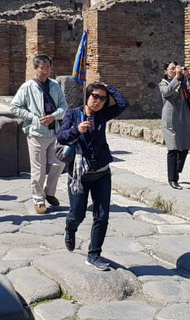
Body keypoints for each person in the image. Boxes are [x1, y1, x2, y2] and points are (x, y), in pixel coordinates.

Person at [57, 82, 128, 271]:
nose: (98, 101)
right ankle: (70, 229)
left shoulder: (102, 115)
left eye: (102, 98)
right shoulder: (72, 114)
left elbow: (123, 104)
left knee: (102, 215)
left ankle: (94, 254)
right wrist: (76, 130)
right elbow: (61, 137)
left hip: (102, 173)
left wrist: (109, 88)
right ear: (87, 96)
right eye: (95, 96)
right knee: (77, 215)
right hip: (79, 175)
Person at [10, 54, 68, 214]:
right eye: (42, 68)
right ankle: (39, 200)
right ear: (35, 69)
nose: (46, 71)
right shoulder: (27, 87)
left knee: (59, 163)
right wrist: (33, 117)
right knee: (39, 170)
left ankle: (49, 192)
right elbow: (14, 107)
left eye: (48, 67)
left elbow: (64, 106)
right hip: (36, 133)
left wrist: (54, 116)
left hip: (54, 131)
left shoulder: (55, 86)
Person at [159, 61, 190, 189]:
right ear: (165, 71)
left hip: (184, 117)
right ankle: (172, 179)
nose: (174, 71)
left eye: (176, 68)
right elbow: (167, 92)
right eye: (171, 69)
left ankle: (177, 169)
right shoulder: (163, 83)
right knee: (173, 149)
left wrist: (188, 76)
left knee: (185, 146)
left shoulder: (182, 81)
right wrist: (176, 77)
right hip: (170, 120)